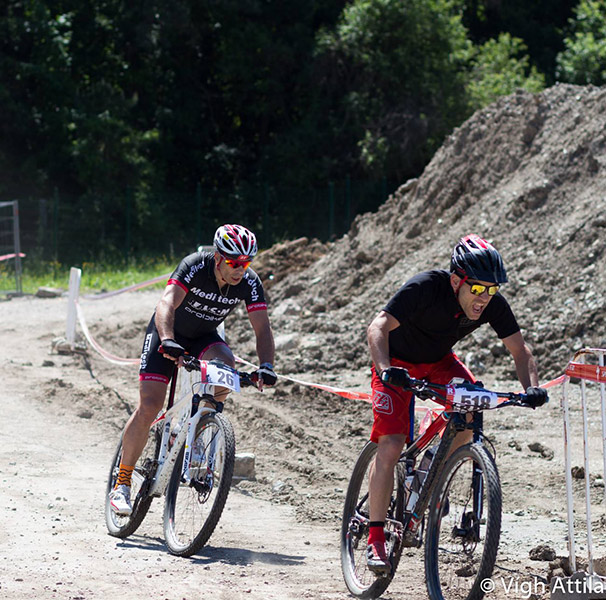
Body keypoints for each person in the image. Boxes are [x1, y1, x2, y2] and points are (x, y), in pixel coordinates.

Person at [365, 234, 548, 573]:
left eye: (491, 290)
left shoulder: (492, 303)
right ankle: (375, 539)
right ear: (455, 281)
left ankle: (429, 470)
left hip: (438, 362)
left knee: (472, 404)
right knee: (390, 446)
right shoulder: (424, 287)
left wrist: (531, 388)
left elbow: (520, 352)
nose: (484, 298)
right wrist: (386, 370)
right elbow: (377, 327)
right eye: (477, 289)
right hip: (396, 364)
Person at [109, 224, 277, 516]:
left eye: (246, 263)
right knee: (150, 405)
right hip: (170, 330)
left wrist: (266, 366)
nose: (240, 269)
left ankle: (197, 428)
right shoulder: (194, 266)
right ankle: (122, 483)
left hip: (204, 338)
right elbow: (166, 303)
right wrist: (168, 340)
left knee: (226, 366)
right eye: (233, 263)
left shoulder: (248, 282)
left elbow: (262, 328)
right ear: (217, 258)